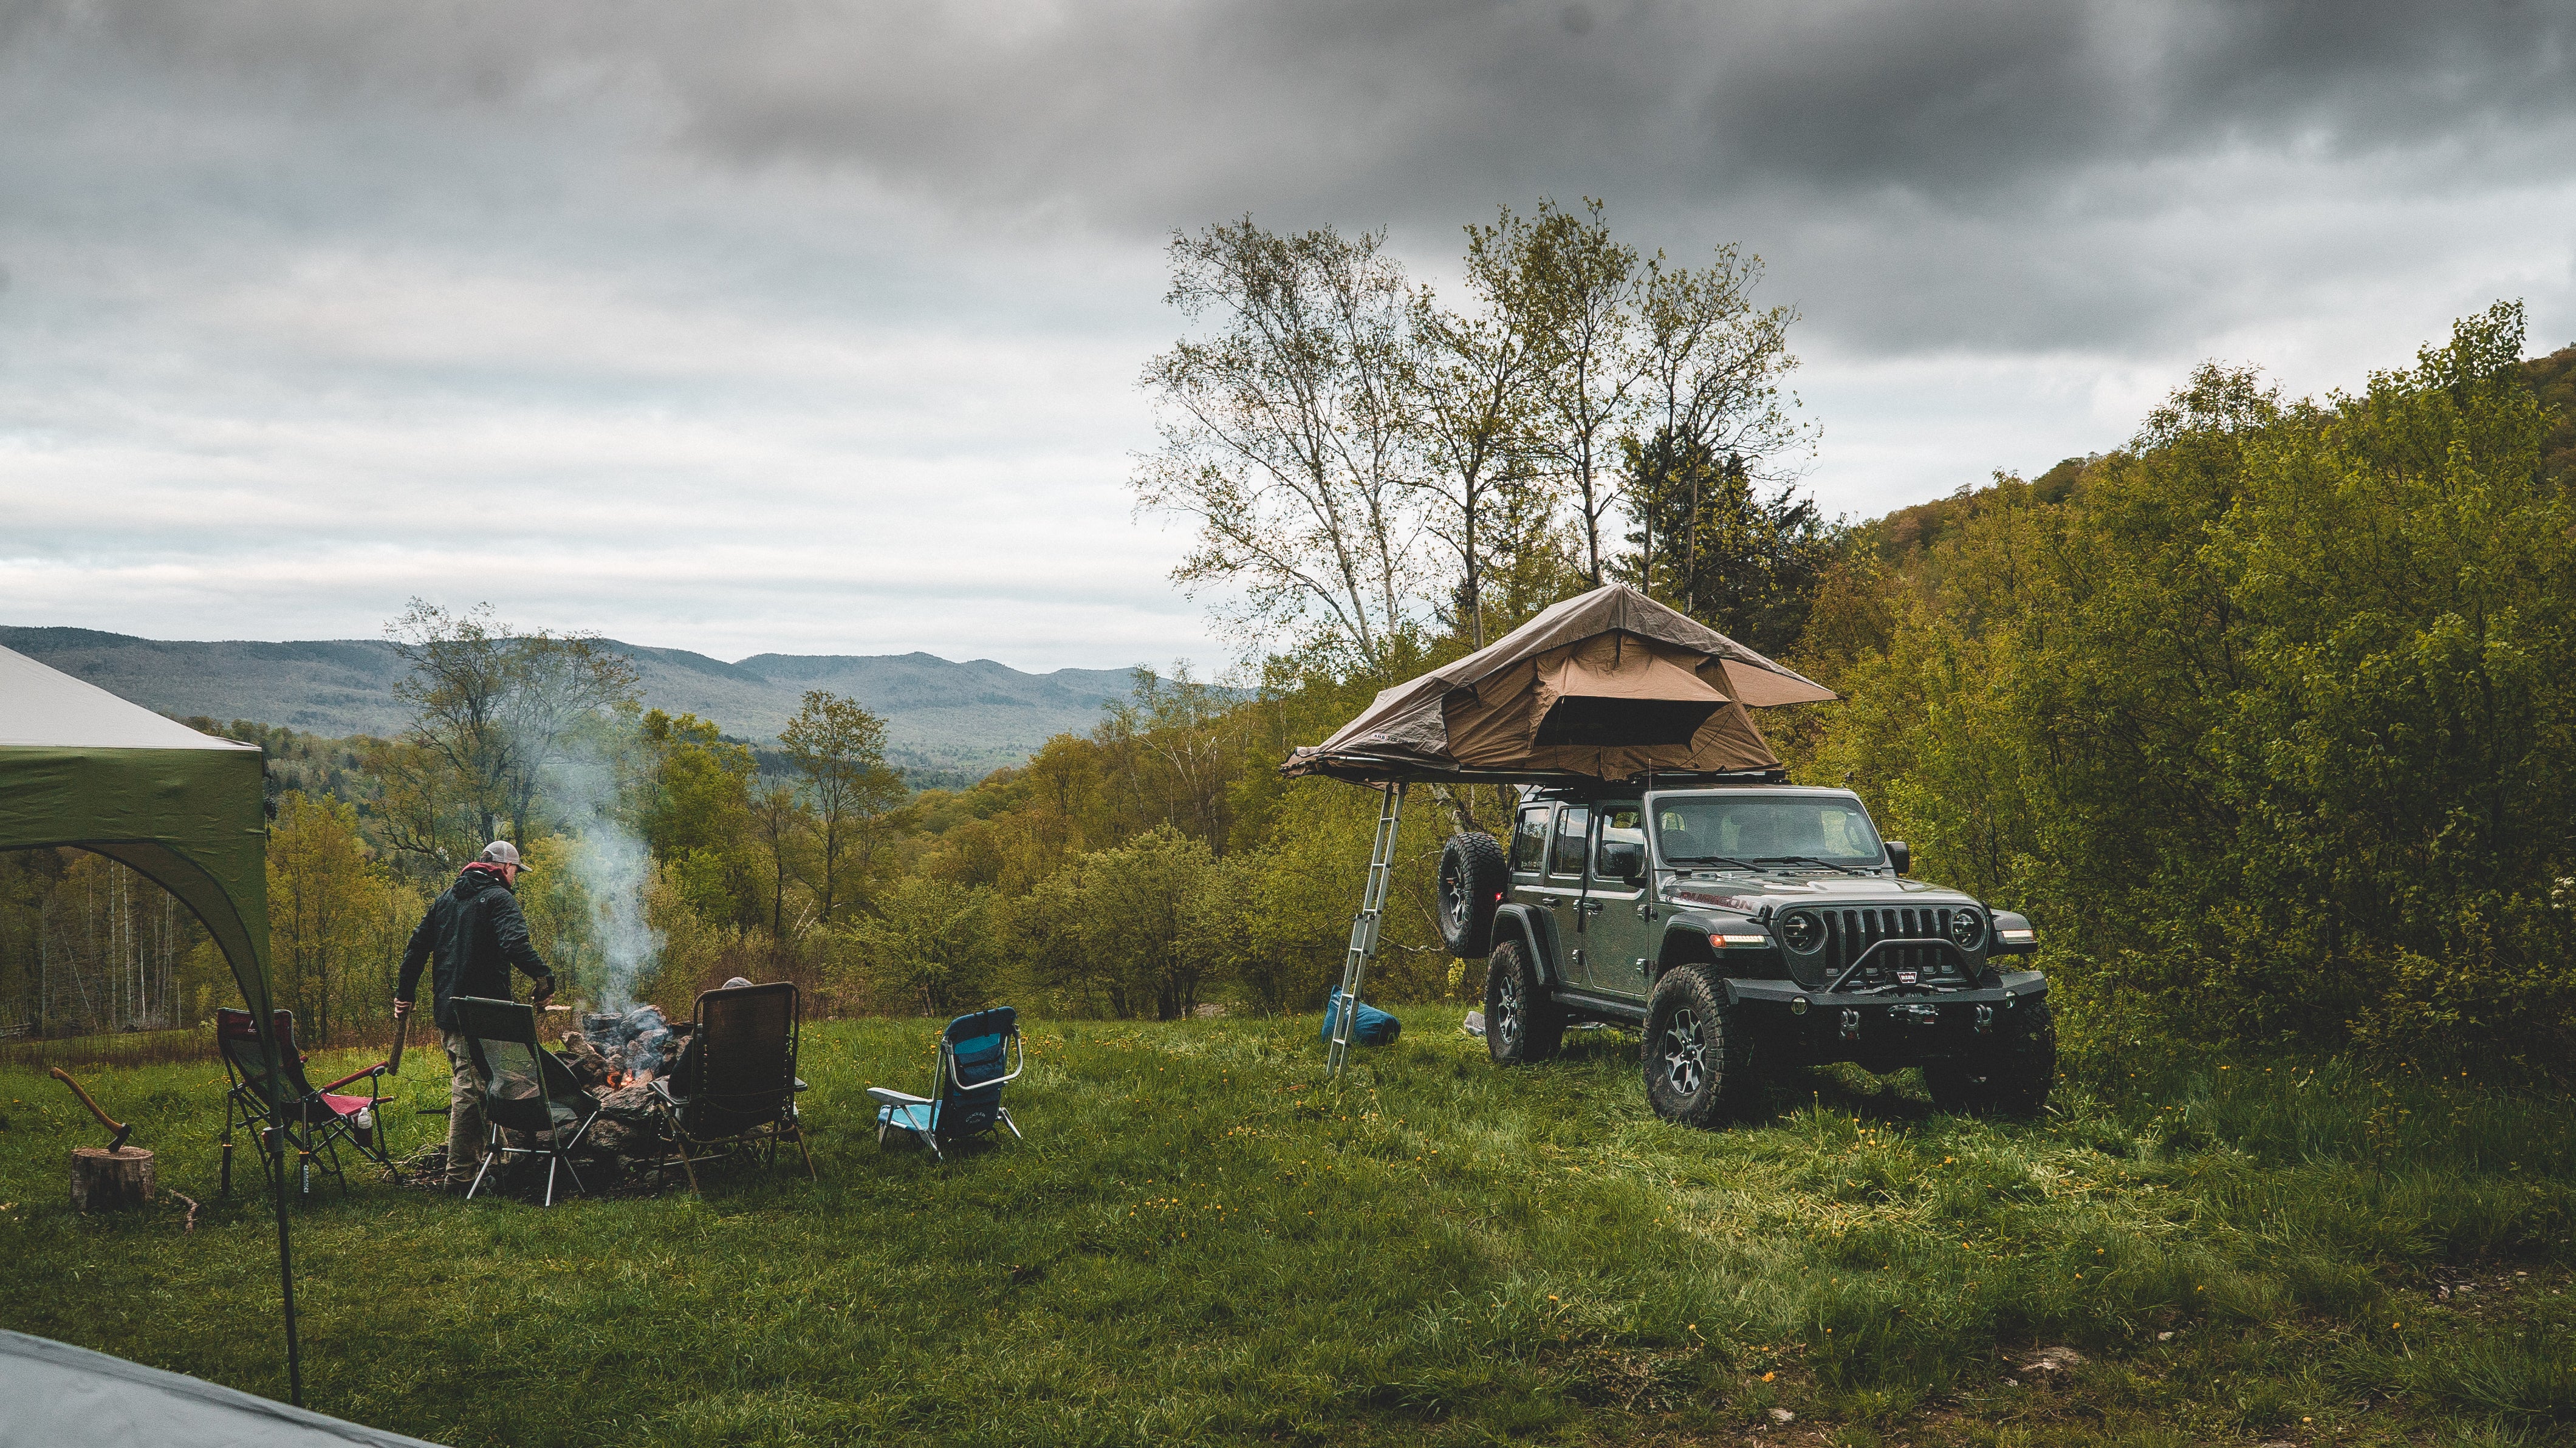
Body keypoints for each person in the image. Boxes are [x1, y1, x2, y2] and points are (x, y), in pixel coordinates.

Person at [394, 841, 559, 1189]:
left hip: (450, 1011)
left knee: (486, 1083)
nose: (516, 877)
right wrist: (544, 978)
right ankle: (459, 1177)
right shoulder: (500, 898)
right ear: (506, 868)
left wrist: (404, 994)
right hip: (484, 1014)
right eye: (516, 871)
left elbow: (416, 948)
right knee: (470, 1089)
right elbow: (515, 944)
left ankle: (496, 1159)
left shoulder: (446, 899)